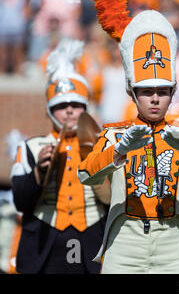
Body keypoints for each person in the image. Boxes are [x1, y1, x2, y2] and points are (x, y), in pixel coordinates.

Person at [78, 0, 179, 274]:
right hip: (124, 240)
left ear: (173, 92)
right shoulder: (113, 132)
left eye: (162, 91)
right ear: (132, 93)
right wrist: (117, 152)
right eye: (146, 91)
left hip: (172, 241)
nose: (155, 98)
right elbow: (85, 174)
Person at [10, 38, 108, 274]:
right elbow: (20, 202)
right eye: (62, 105)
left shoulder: (103, 143)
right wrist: (38, 172)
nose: (70, 111)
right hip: (45, 244)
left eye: (76, 104)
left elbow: (113, 198)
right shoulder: (30, 147)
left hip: (92, 240)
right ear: (49, 110)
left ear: (86, 107)